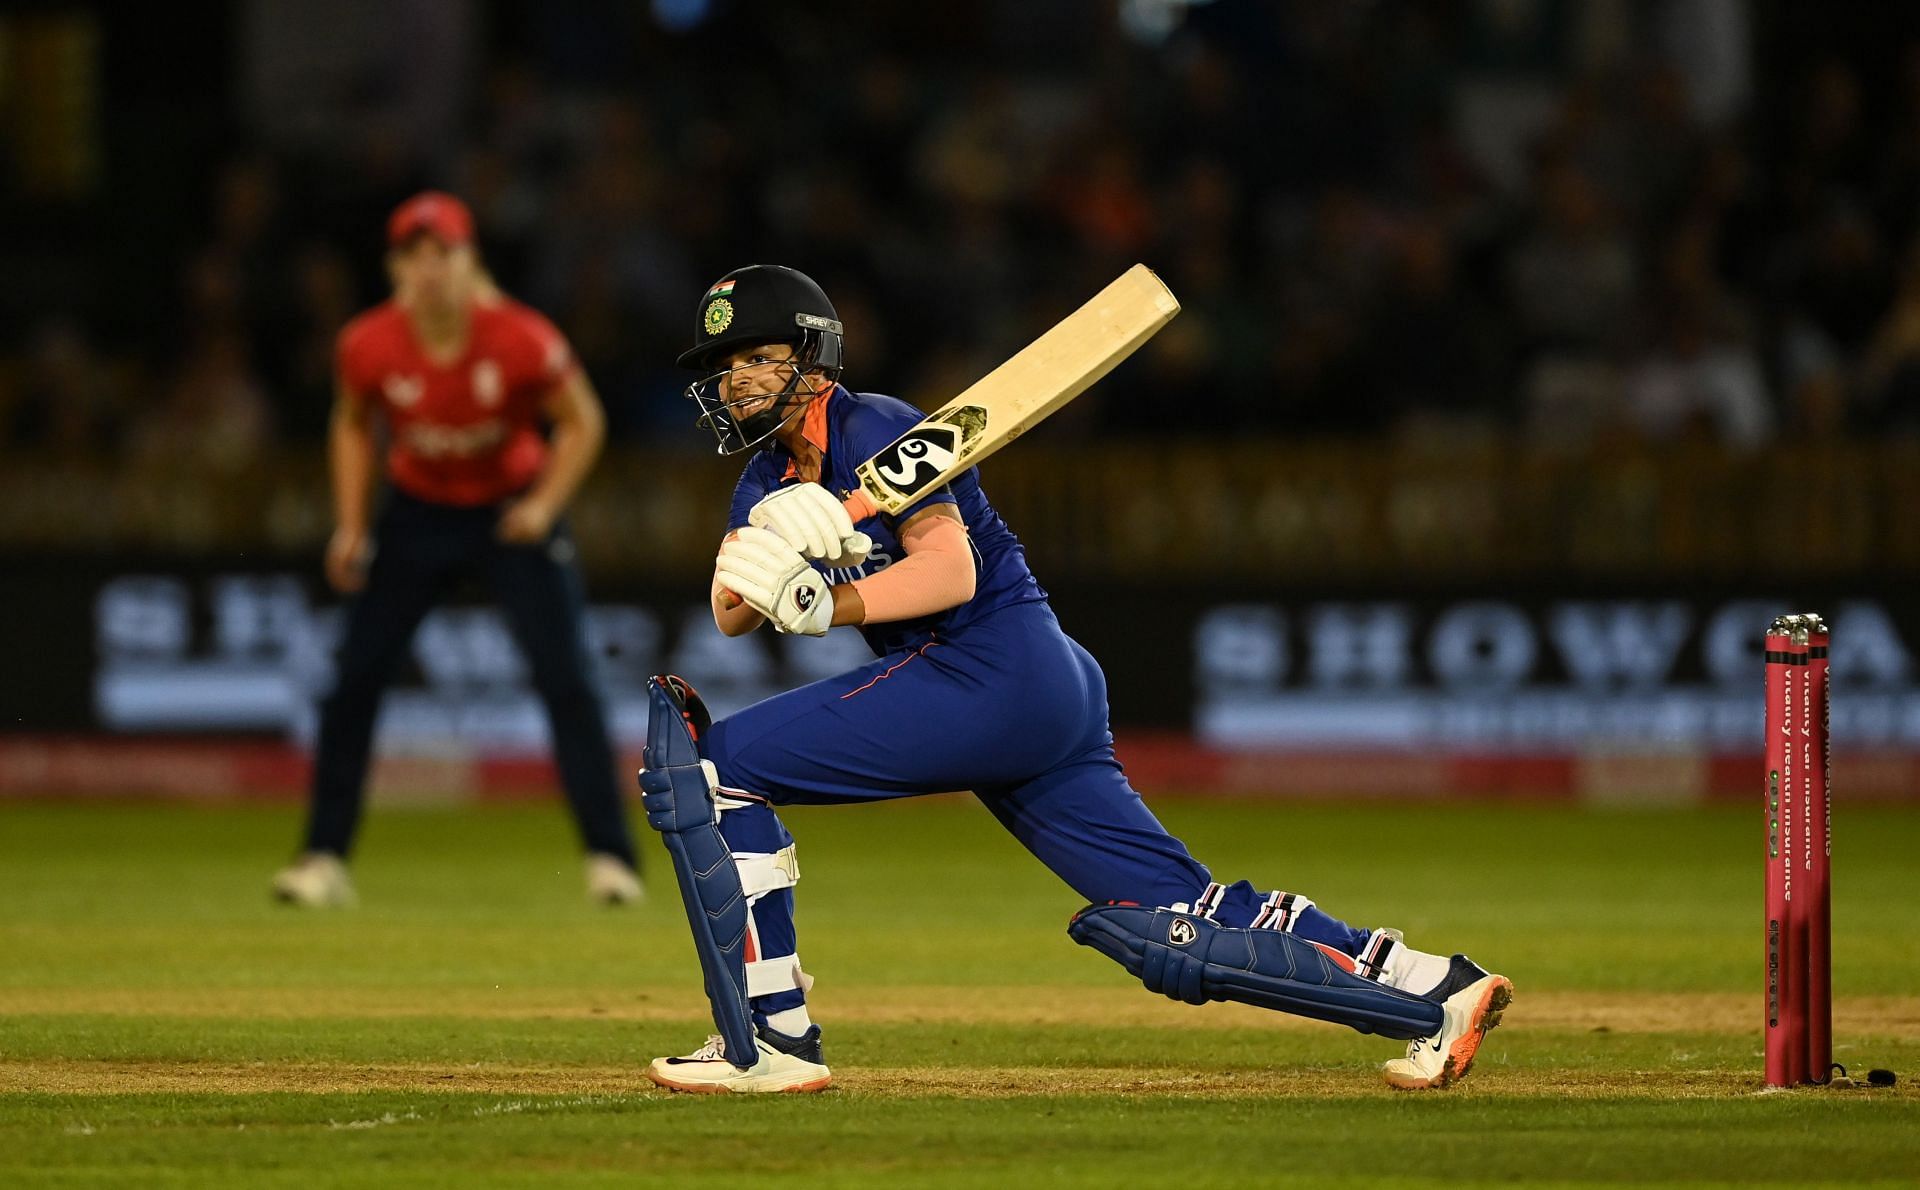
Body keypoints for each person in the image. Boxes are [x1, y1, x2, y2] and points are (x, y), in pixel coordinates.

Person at [637, 265, 1510, 1093]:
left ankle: (771, 1039)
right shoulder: (765, 475)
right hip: (1039, 685)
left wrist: (830, 604)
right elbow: (731, 610)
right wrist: (780, 554)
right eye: (724, 366)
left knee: (715, 774)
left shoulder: (876, 429)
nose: (738, 381)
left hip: (989, 665)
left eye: (759, 357)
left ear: (812, 356)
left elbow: (951, 576)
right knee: (1175, 911)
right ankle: (1432, 988)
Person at [271, 192, 641, 907]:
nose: (430, 270)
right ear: (394, 269)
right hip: (417, 513)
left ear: (470, 262)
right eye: (414, 256)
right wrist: (351, 525)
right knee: (355, 680)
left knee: (567, 681)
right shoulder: (368, 344)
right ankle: (322, 858)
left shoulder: (521, 338)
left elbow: (582, 421)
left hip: (509, 513)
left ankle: (610, 860)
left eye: (444, 253)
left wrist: (541, 506)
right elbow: (350, 424)